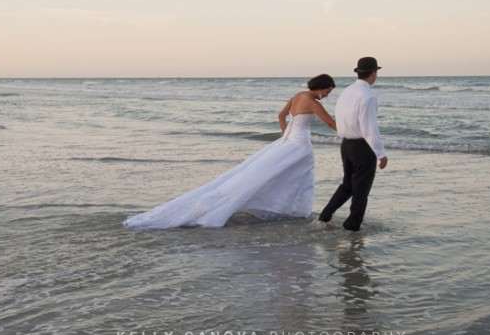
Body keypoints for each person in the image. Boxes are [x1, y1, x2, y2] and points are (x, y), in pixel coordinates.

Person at [124, 74, 337, 230]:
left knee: (275, 176)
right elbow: (330, 123)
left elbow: (282, 116)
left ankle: (284, 209)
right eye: (327, 91)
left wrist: (284, 136)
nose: (327, 96)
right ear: (321, 87)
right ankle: (291, 211)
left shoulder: (298, 96)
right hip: (300, 146)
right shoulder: (312, 102)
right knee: (296, 178)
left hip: (288, 143)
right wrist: (355, 133)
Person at [317, 57, 388, 231]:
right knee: (361, 190)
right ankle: (352, 225)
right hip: (362, 146)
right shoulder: (368, 95)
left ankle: (325, 216)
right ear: (374, 73)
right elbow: (369, 128)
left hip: (346, 144)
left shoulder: (347, 92)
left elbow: (341, 119)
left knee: (348, 185)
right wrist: (381, 153)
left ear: (359, 72)